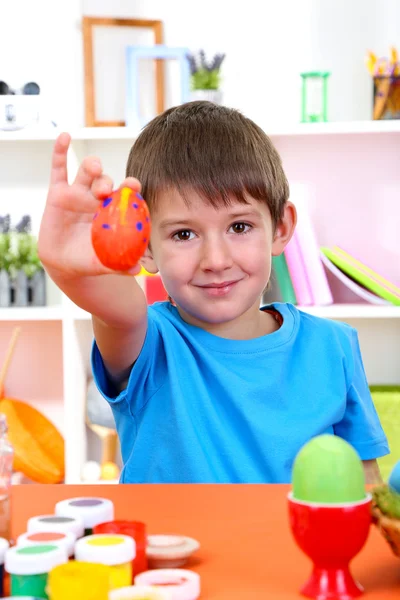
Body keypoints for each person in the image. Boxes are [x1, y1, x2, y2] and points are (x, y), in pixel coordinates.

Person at [38, 101, 389, 484]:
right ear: (145, 248)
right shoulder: (149, 344)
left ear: (281, 227)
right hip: (171, 547)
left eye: (239, 227)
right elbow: (117, 311)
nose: (216, 260)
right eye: (183, 234)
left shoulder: (333, 347)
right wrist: (77, 272)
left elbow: (365, 493)